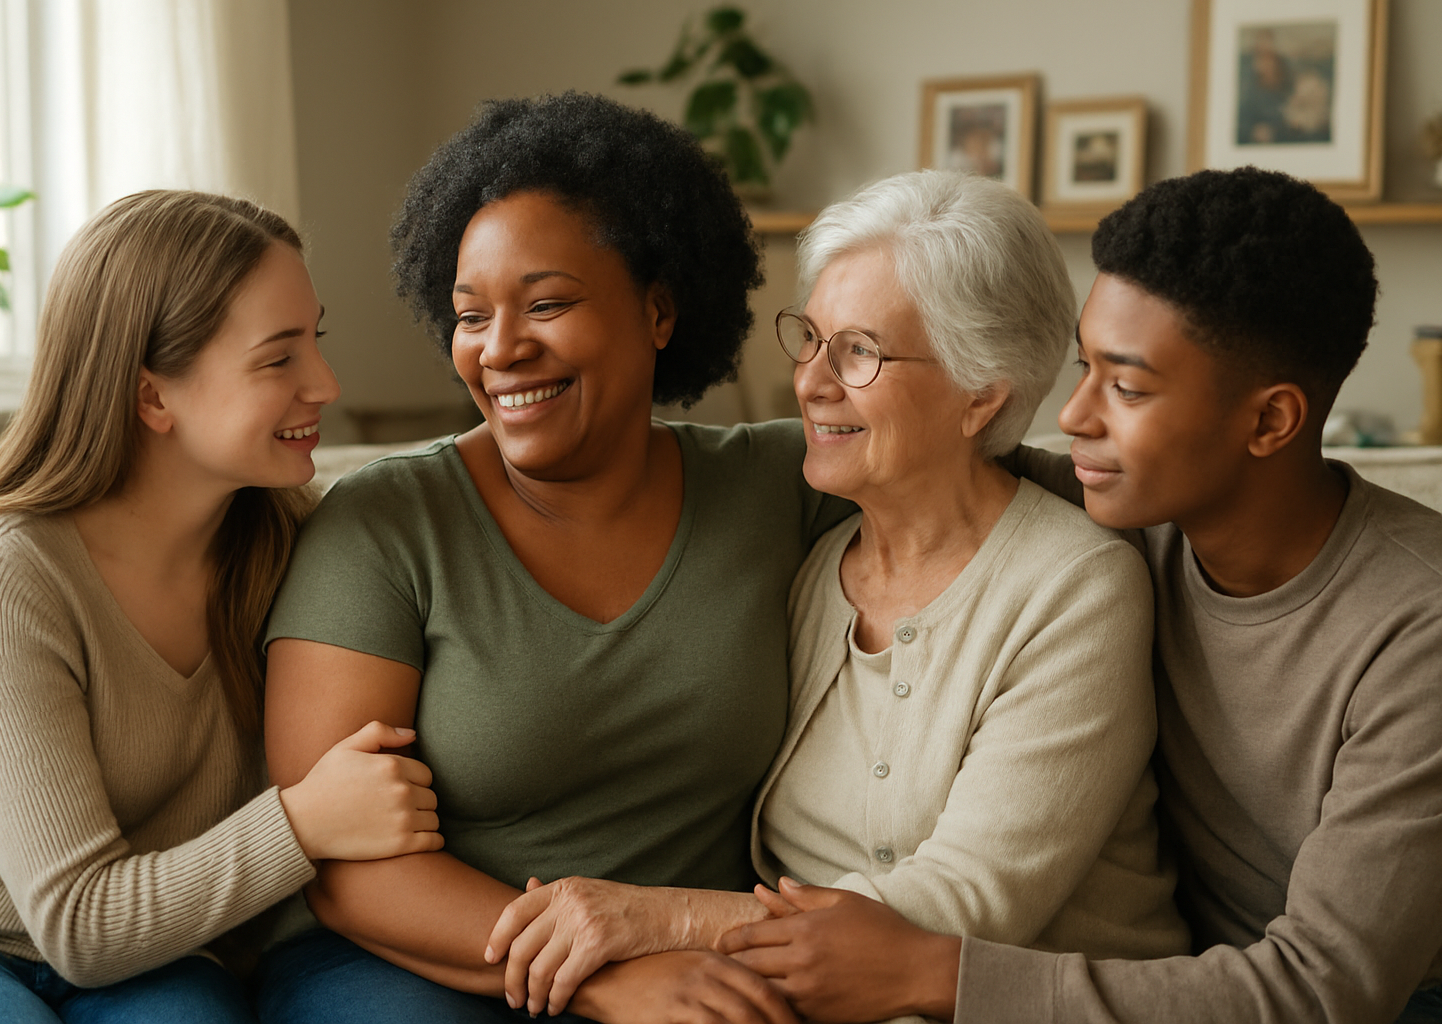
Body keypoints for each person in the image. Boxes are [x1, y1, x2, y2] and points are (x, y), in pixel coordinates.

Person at [711, 168, 1442, 1024]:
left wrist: (936, 975)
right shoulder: (1127, 505)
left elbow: (1324, 993)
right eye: (1084, 367)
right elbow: (939, 462)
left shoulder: (1416, 630)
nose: (1077, 415)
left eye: (1127, 389)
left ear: (1270, 422)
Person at [483, 170, 1190, 1018]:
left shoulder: (1076, 589)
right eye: (809, 339)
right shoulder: (816, 568)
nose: (812, 384)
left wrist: (654, 917)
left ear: (983, 396)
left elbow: (962, 907)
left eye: (860, 352)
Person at [254, 92, 853, 1024]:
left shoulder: (782, 484)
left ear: (658, 310)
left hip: (695, 964)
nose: (502, 350)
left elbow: (978, 470)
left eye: (547, 304)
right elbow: (344, 870)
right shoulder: (385, 525)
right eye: (470, 316)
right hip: (419, 973)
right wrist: (608, 975)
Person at [0, 190, 442, 1024]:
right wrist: (303, 823)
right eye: (278, 359)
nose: (327, 384)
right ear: (153, 397)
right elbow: (79, 924)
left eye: (316, 341)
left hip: (163, 942)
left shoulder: (299, 544)